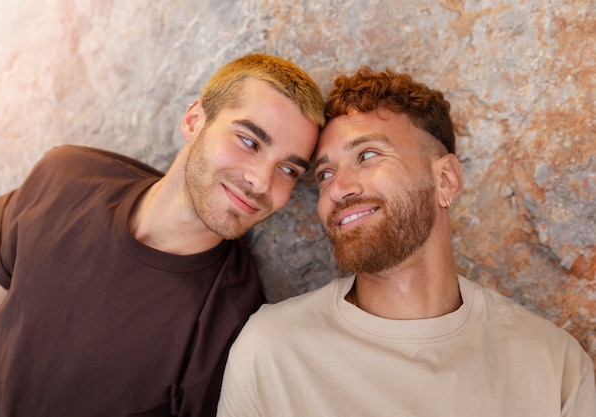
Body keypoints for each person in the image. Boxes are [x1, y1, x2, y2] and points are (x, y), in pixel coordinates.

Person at [216, 67, 596, 417]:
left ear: (445, 180)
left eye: (367, 155)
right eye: (326, 173)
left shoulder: (553, 367)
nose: (339, 189)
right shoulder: (270, 353)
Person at [0, 53, 325, 417]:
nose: (261, 182)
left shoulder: (231, 325)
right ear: (194, 121)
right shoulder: (66, 177)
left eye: (287, 169)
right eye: (249, 142)